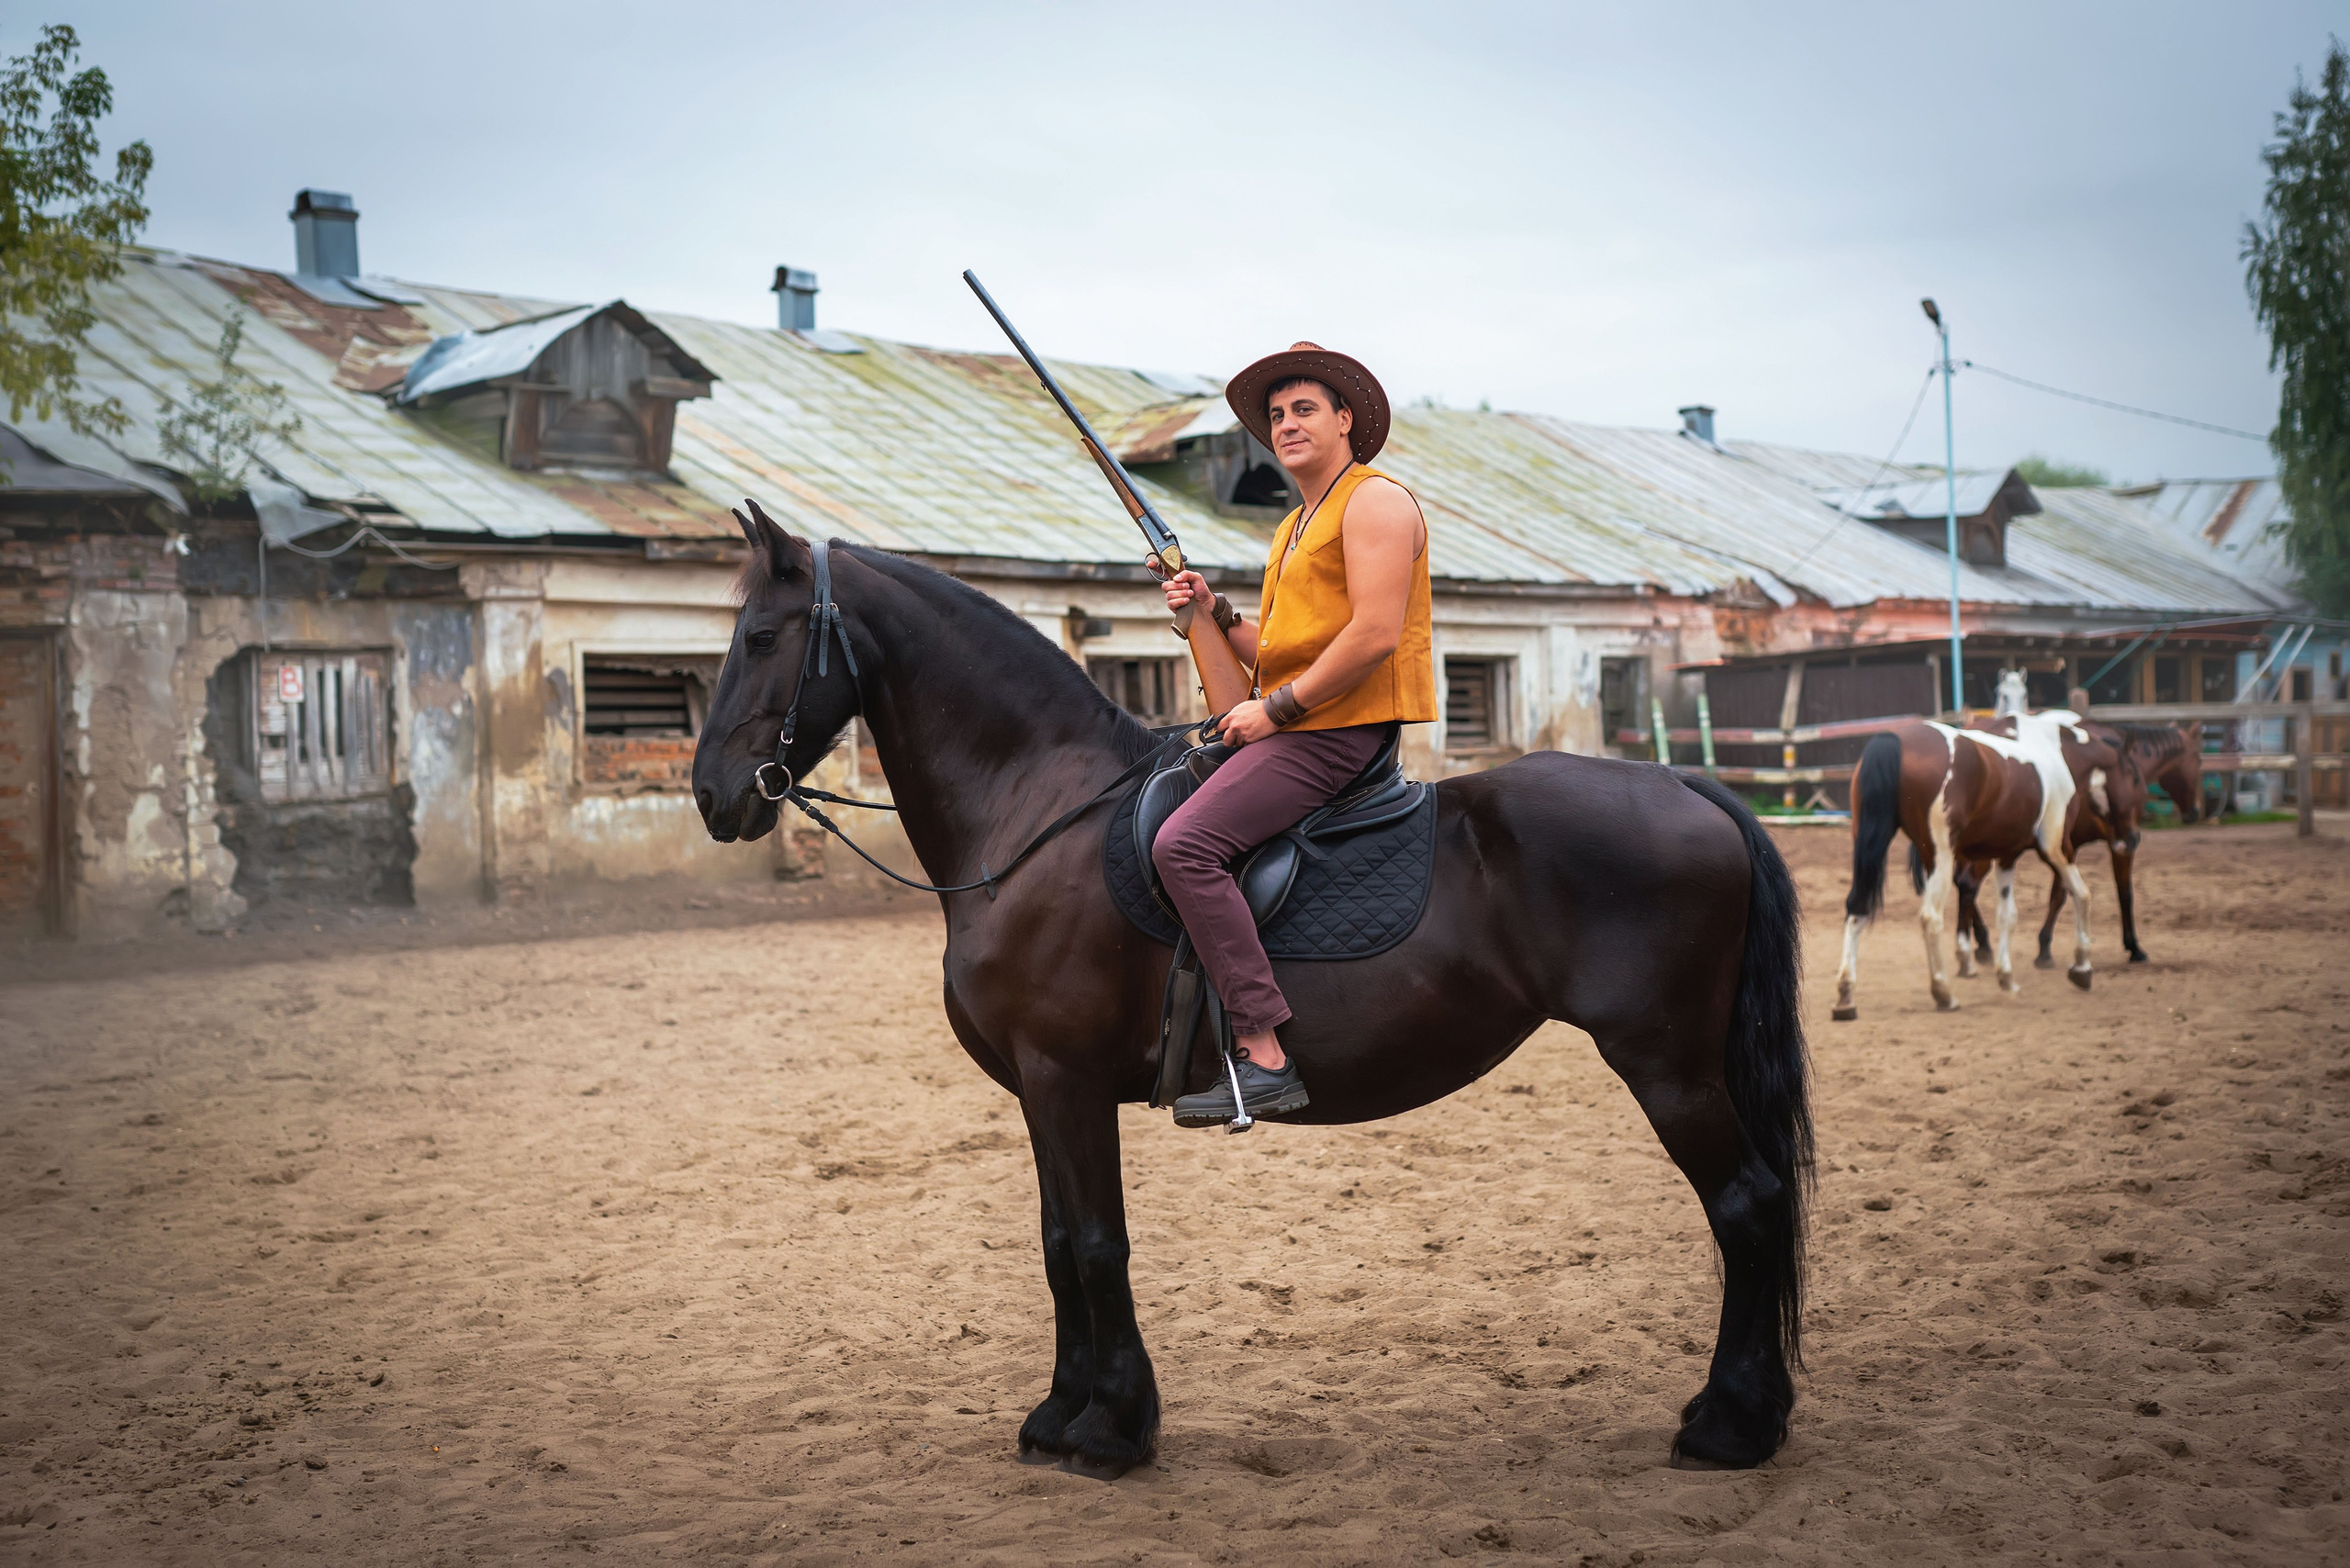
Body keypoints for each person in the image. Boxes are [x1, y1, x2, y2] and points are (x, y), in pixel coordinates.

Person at [1152, 342, 1434, 1127]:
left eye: (1304, 409)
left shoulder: (1375, 502)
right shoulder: (1293, 527)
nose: (1286, 424)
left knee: (1184, 845)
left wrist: (1274, 713)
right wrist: (1212, 614)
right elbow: (1277, 656)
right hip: (1304, 723)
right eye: (1276, 415)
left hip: (1336, 734)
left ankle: (1265, 1051)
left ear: (1346, 420)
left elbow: (1373, 634)